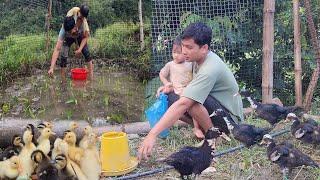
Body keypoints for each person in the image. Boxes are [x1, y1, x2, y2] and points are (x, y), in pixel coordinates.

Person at [138, 22, 244, 161]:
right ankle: (208, 131)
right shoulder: (196, 59)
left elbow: (185, 103)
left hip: (231, 123)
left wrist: (152, 134)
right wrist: (168, 85)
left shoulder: (210, 68)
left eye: (189, 47)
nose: (183, 51)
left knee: (190, 101)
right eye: (183, 46)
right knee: (170, 97)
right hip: (216, 111)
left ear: (204, 48)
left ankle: (214, 136)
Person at [156, 36, 205, 138]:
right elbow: (162, 74)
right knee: (164, 98)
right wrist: (166, 84)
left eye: (179, 52)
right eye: (174, 52)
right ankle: (163, 127)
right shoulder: (170, 65)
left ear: (185, 52)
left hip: (189, 90)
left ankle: (197, 128)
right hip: (177, 91)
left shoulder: (190, 63)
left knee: (194, 104)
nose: (176, 55)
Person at [48, 5, 93, 80]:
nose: (81, 17)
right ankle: (63, 81)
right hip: (68, 37)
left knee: (86, 53)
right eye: (69, 31)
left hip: (80, 36)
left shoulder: (84, 25)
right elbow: (57, 49)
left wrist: (79, 49)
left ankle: (91, 79)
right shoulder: (65, 27)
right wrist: (51, 68)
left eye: (72, 31)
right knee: (63, 56)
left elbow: (85, 37)